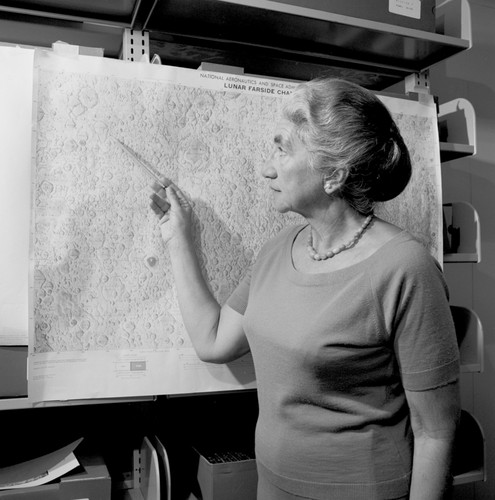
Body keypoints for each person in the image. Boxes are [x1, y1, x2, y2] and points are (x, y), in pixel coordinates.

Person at [150, 77, 461, 500]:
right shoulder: (278, 251)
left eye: (283, 148)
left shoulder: (406, 268)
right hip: (273, 487)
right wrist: (178, 239)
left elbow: (436, 432)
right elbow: (213, 340)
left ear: (333, 174)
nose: (267, 167)